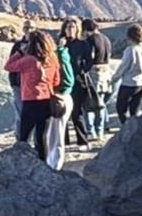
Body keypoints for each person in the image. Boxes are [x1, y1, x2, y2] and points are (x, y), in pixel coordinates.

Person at [4, 30, 60, 162]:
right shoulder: (52, 59)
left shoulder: (28, 60)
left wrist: (20, 52)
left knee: (24, 136)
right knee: (41, 137)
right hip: (47, 101)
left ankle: (22, 163)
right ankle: (43, 163)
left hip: (30, 101)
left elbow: (8, 66)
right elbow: (57, 81)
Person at [45, 24, 77, 168]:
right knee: (53, 133)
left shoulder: (60, 58)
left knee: (56, 134)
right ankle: (52, 162)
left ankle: (55, 165)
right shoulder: (60, 57)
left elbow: (68, 80)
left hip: (59, 97)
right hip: (59, 96)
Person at [62, 18, 94, 146]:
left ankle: (82, 141)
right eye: (68, 27)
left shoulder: (83, 44)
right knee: (62, 113)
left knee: (77, 112)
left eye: (73, 27)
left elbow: (89, 61)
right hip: (62, 82)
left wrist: (82, 72)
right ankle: (64, 142)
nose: (71, 29)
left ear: (77, 29)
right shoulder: (61, 43)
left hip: (77, 82)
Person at [112, 23, 142, 123]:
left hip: (130, 83)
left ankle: (127, 128)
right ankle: (136, 129)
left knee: (121, 109)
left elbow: (124, 67)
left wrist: (114, 79)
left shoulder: (131, 50)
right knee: (134, 110)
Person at [6, 18, 35, 141]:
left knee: (33, 113)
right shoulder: (17, 45)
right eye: (26, 28)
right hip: (19, 84)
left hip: (34, 85)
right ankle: (21, 139)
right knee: (20, 113)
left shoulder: (38, 45)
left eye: (31, 28)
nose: (29, 30)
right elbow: (10, 63)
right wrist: (13, 83)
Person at [83, 18, 112, 138]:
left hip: (94, 72)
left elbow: (91, 56)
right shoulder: (106, 39)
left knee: (89, 102)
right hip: (106, 71)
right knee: (101, 102)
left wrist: (84, 70)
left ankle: (91, 131)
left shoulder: (90, 40)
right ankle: (100, 129)